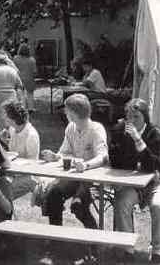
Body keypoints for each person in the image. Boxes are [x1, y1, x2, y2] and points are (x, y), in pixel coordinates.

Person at [109, 99, 160, 264]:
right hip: (132, 183)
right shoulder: (119, 131)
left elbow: (154, 167)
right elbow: (115, 162)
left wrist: (138, 141)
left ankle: (157, 250)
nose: (131, 121)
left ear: (145, 117)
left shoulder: (157, 134)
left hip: (155, 184)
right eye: (128, 116)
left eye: (136, 117)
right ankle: (127, 248)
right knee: (122, 202)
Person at [41, 94, 108, 229]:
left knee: (78, 205)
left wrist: (86, 165)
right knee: (53, 194)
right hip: (73, 176)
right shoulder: (71, 128)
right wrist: (55, 157)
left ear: (73, 113)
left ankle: (94, 239)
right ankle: (56, 235)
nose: (64, 112)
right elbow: (64, 152)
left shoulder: (96, 129)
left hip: (92, 178)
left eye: (66, 110)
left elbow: (103, 156)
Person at [0, 99, 40, 199]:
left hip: (29, 176)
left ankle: (6, 212)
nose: (2, 117)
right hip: (13, 172)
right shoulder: (12, 129)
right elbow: (13, 152)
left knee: (2, 193)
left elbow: (33, 164)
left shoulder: (31, 135)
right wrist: (4, 142)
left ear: (12, 117)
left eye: (4, 114)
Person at [0, 53, 24, 130]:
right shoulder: (13, 70)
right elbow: (19, 84)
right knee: (11, 115)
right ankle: (12, 132)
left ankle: (1, 135)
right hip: (11, 94)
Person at [13, 44, 37, 113]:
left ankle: (22, 108)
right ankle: (30, 108)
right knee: (30, 94)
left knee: (20, 94)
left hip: (18, 78)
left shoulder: (15, 58)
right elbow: (35, 71)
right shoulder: (32, 60)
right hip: (29, 78)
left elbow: (13, 69)